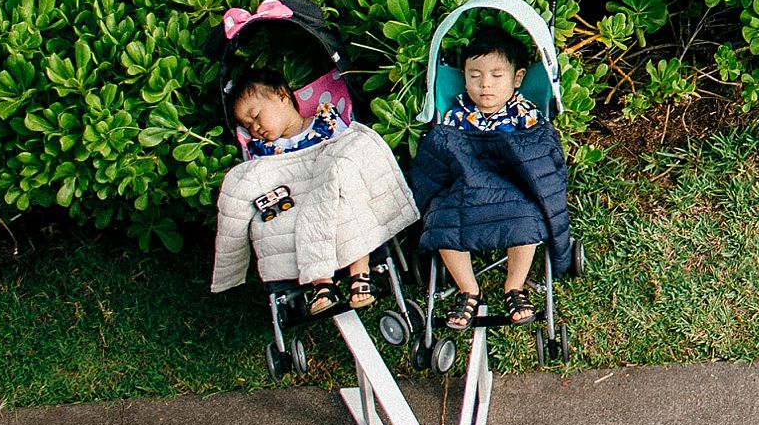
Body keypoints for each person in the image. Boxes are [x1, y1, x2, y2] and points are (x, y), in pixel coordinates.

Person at [209, 70, 418, 317]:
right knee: (301, 219)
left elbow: (347, 152)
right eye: (247, 125)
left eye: (256, 116)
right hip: (296, 195)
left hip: (329, 184)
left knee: (348, 201)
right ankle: (322, 284)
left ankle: (360, 272)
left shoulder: (326, 121)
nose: (255, 128)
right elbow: (260, 180)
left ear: (282, 96)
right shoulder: (264, 151)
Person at [409, 24, 573, 332]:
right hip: (466, 190)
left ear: (517, 78)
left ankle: (514, 286)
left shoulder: (526, 115)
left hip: (513, 190)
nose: (485, 85)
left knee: (529, 218)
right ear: (464, 76)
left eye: (497, 76)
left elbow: (541, 162)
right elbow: (439, 159)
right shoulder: (455, 115)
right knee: (440, 221)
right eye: (475, 75)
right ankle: (468, 289)